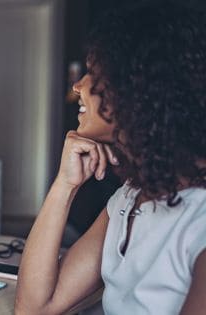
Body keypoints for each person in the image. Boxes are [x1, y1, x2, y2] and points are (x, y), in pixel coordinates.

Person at [15, 3, 206, 315]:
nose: (78, 86)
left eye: (94, 73)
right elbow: (35, 307)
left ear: (136, 91)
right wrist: (65, 185)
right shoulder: (129, 198)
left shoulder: (199, 220)